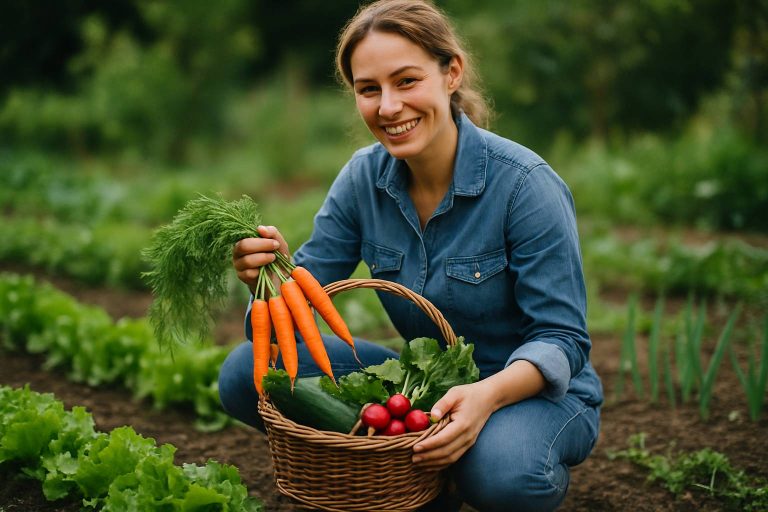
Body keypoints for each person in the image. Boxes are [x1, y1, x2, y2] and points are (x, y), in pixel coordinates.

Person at [218, 1, 603, 510]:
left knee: (504, 475)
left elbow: (562, 337)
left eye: (406, 81)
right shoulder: (362, 179)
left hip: (536, 394)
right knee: (247, 371)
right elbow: (293, 314)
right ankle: (416, 485)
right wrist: (270, 280)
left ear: (451, 74)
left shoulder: (523, 186)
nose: (389, 107)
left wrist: (484, 398)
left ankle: (470, 465)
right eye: (369, 89)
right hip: (428, 382)